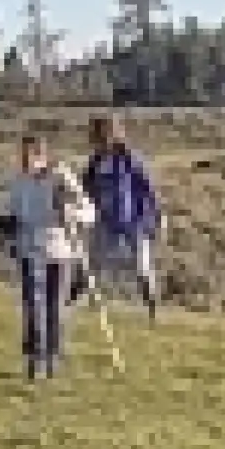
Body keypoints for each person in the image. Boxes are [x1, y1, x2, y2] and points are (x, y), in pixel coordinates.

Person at [0, 133, 96, 379]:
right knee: (32, 305)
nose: (25, 161)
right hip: (29, 250)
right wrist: (5, 224)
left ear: (42, 156)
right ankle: (34, 357)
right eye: (22, 155)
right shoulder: (19, 182)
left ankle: (52, 356)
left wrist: (69, 212)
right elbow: (13, 210)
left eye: (30, 155)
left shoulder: (60, 178)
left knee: (54, 306)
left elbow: (89, 212)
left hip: (59, 251)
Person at [78, 114, 163, 320]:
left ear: (113, 135)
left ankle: (152, 310)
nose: (99, 141)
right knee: (91, 264)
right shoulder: (94, 163)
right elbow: (85, 190)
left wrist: (154, 216)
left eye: (103, 136)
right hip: (104, 221)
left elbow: (147, 188)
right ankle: (73, 302)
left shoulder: (129, 159)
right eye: (95, 137)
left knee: (142, 267)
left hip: (134, 221)